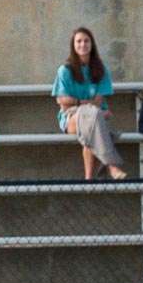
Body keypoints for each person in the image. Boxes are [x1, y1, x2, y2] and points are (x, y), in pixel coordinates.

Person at [52, 27, 128, 180]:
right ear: (73, 45)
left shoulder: (100, 69)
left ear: (92, 44)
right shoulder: (65, 70)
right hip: (70, 117)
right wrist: (83, 103)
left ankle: (88, 179)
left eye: (86, 41)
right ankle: (111, 166)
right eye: (78, 41)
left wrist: (90, 107)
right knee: (93, 117)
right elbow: (61, 101)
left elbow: (99, 102)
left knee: (90, 127)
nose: (83, 44)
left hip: (93, 116)